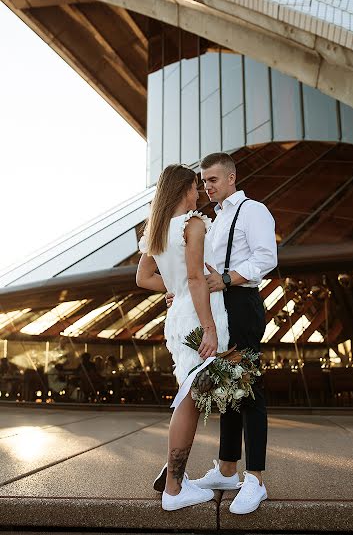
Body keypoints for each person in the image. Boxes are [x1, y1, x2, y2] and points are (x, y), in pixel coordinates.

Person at [165, 152, 277, 514]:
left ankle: (255, 479)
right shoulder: (211, 218)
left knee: (250, 388)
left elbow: (266, 258)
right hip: (219, 307)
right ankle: (228, 470)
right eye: (203, 180)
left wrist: (227, 278)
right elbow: (199, 268)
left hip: (242, 303)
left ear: (231, 178)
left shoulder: (253, 210)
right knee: (227, 387)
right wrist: (180, 288)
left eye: (212, 179)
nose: (206, 186)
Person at [136, 164, 230, 511]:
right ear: (184, 190)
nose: (198, 192)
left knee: (188, 395)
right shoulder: (192, 225)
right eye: (195, 186)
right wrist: (209, 326)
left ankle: (175, 478)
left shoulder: (158, 229)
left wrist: (172, 287)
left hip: (178, 318)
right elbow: (194, 279)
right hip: (197, 316)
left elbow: (143, 278)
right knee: (190, 400)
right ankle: (174, 490)